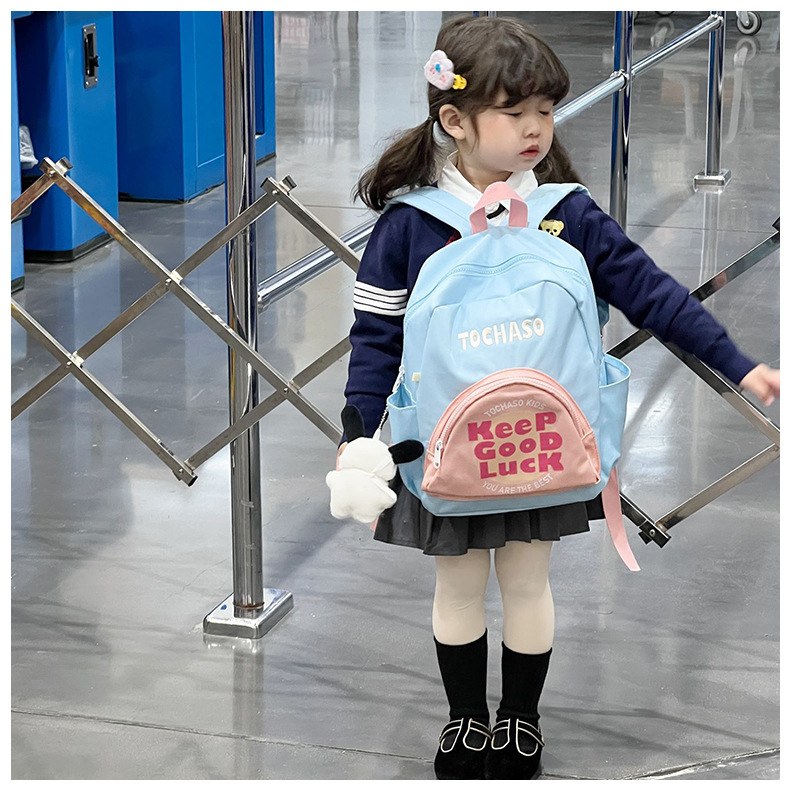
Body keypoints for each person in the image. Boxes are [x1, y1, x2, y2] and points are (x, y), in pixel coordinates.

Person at [333, 14, 780, 781]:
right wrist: (356, 434)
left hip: (541, 448)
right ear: (455, 120)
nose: (537, 127)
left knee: (527, 583)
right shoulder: (410, 225)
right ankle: (465, 720)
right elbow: (374, 340)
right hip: (443, 449)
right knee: (457, 585)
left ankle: (521, 721)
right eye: (515, 112)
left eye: (545, 109)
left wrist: (736, 364)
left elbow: (652, 294)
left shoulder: (569, 214)